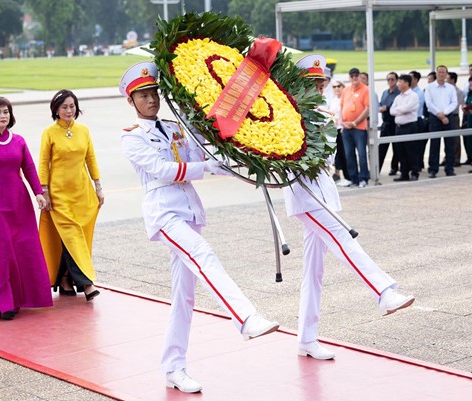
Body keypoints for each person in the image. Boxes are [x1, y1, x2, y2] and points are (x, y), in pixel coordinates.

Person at [119, 62, 279, 393]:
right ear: (131, 101)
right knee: (203, 253)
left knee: (184, 297)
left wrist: (238, 165)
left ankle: (173, 367)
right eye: (143, 95)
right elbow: (163, 170)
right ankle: (246, 318)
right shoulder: (132, 137)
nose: (150, 100)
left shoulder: (173, 127)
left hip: (189, 211)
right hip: (164, 213)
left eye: (153, 93)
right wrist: (205, 166)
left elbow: (201, 156)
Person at [284, 55, 414, 361]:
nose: (317, 90)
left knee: (313, 273)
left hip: (323, 194)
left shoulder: (324, 116)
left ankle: (306, 338)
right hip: (305, 196)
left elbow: (327, 160)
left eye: (321, 84)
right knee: (344, 240)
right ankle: (383, 292)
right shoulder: (289, 116)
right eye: (311, 84)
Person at [0, 97, 52, 320]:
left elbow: (30, 168)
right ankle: (4, 302)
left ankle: (24, 297)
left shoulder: (19, 141)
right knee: (1, 248)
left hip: (19, 200)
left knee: (24, 245)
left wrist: (38, 194)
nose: (3, 116)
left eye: (5, 112)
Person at [38, 90, 104, 301]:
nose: (69, 110)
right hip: (59, 196)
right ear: (56, 110)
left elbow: (90, 158)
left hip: (82, 193)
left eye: (72, 106)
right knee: (71, 236)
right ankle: (86, 284)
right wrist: (44, 191)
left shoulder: (83, 130)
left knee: (77, 238)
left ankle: (65, 278)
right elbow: (42, 163)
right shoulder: (49, 132)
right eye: (64, 107)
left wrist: (98, 186)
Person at [424, 65, 458, 178]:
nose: (441, 74)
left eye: (443, 72)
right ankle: (433, 169)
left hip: (448, 116)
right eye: (439, 72)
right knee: (434, 144)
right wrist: (440, 115)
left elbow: (454, 103)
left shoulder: (450, 88)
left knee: (450, 144)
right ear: (436, 73)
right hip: (435, 117)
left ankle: (450, 168)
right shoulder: (429, 87)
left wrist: (445, 113)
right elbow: (429, 103)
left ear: (446, 74)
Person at [341, 67, 370, 188]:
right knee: (349, 154)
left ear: (359, 76)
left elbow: (367, 109)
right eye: (352, 76)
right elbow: (341, 107)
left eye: (356, 76)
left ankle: (363, 178)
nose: (354, 78)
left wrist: (354, 122)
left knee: (362, 154)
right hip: (346, 128)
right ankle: (354, 178)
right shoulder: (346, 90)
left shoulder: (365, 90)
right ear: (349, 78)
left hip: (359, 128)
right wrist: (343, 122)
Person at [319, 79, 351, 186]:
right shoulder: (332, 99)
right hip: (334, 129)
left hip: (342, 128)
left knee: (344, 154)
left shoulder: (345, 99)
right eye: (334, 87)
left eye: (339, 86)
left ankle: (348, 176)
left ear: (343, 87)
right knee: (337, 155)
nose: (336, 88)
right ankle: (338, 175)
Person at [390, 75, 421, 181]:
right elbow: (392, 111)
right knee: (401, 151)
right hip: (399, 127)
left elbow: (408, 108)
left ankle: (414, 172)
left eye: (400, 82)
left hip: (410, 127)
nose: (398, 84)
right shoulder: (398, 97)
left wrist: (399, 110)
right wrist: (401, 110)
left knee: (411, 151)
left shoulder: (413, 96)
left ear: (407, 83)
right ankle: (404, 173)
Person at [378, 72, 401, 175]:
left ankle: (394, 168)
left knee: (396, 148)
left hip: (394, 122)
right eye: (388, 79)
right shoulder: (385, 92)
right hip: (385, 123)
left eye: (392, 79)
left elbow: (395, 106)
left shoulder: (399, 92)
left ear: (396, 80)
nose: (390, 81)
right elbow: (381, 104)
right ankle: (376, 170)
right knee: (381, 148)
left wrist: (386, 108)